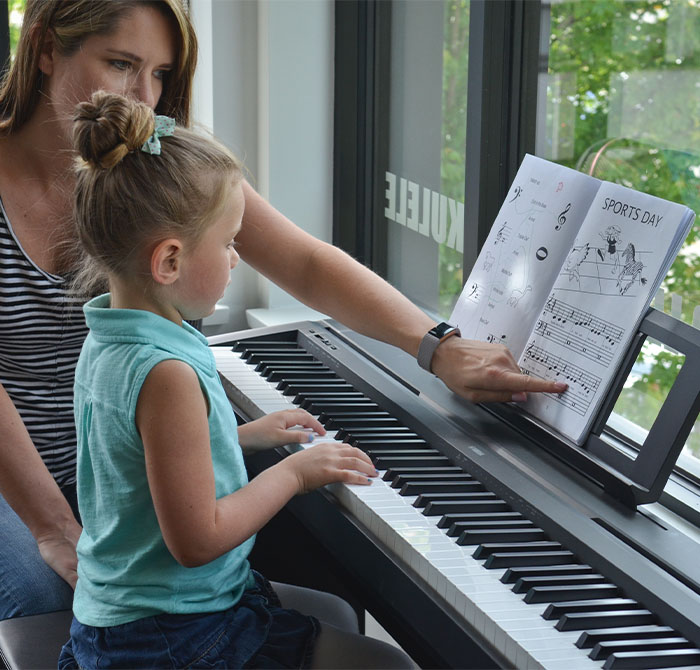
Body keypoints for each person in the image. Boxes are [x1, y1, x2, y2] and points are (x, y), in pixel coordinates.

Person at [0, 0, 567, 622]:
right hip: (24, 477)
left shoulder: (157, 164)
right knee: (45, 600)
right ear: (47, 47)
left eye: (161, 74)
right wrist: (53, 524)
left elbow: (303, 263)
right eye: (121, 63)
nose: (145, 96)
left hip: (123, 450)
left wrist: (436, 345)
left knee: (302, 549)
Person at [56, 89, 416, 669]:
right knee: (391, 663)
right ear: (169, 261)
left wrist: (242, 435)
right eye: (227, 244)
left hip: (130, 613)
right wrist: (295, 474)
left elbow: (141, 454)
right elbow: (197, 540)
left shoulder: (111, 332)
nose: (236, 259)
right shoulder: (165, 370)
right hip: (170, 637)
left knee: (340, 615)